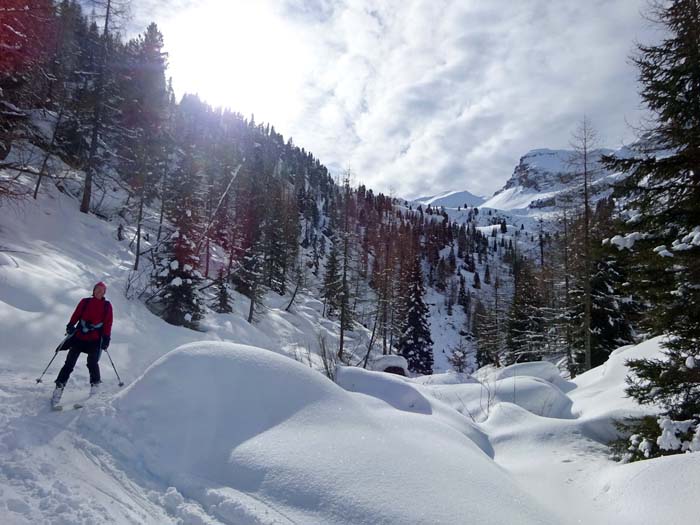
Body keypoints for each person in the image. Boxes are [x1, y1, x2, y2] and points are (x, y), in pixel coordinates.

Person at [51, 282, 113, 406]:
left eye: (102, 290)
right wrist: (70, 325)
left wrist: (106, 338)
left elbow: (108, 323)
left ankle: (95, 388)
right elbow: (76, 314)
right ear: (94, 290)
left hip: (95, 339)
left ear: (104, 293)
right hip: (79, 337)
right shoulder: (85, 301)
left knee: (92, 363)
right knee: (69, 363)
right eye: (97, 289)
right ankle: (58, 388)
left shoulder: (107, 306)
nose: (99, 292)